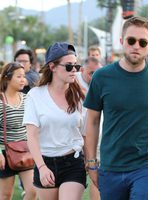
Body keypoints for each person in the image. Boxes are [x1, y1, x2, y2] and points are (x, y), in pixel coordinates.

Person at [83, 16, 148, 200]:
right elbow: (93, 121)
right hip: (111, 166)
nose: (136, 46)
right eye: (131, 40)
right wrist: (91, 163)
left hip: (147, 165)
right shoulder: (102, 77)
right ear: (122, 42)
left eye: (142, 42)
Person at [23, 42, 86, 200]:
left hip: (73, 162)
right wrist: (41, 167)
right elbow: (31, 135)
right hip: (45, 161)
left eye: (76, 66)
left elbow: (86, 133)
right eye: (69, 66)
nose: (74, 71)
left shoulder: (80, 96)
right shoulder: (35, 95)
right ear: (52, 67)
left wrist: (91, 163)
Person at [0, 62, 36, 200]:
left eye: (24, 76)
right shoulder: (1, 100)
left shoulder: (27, 99)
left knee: (32, 191)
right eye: (19, 76)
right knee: (5, 196)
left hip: (25, 151)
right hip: (4, 154)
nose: (23, 80)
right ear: (8, 78)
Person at [76, 57, 101, 200]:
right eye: (91, 73)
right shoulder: (73, 82)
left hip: (95, 138)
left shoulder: (99, 83)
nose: (95, 76)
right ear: (82, 70)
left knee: (97, 179)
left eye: (97, 73)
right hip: (75, 140)